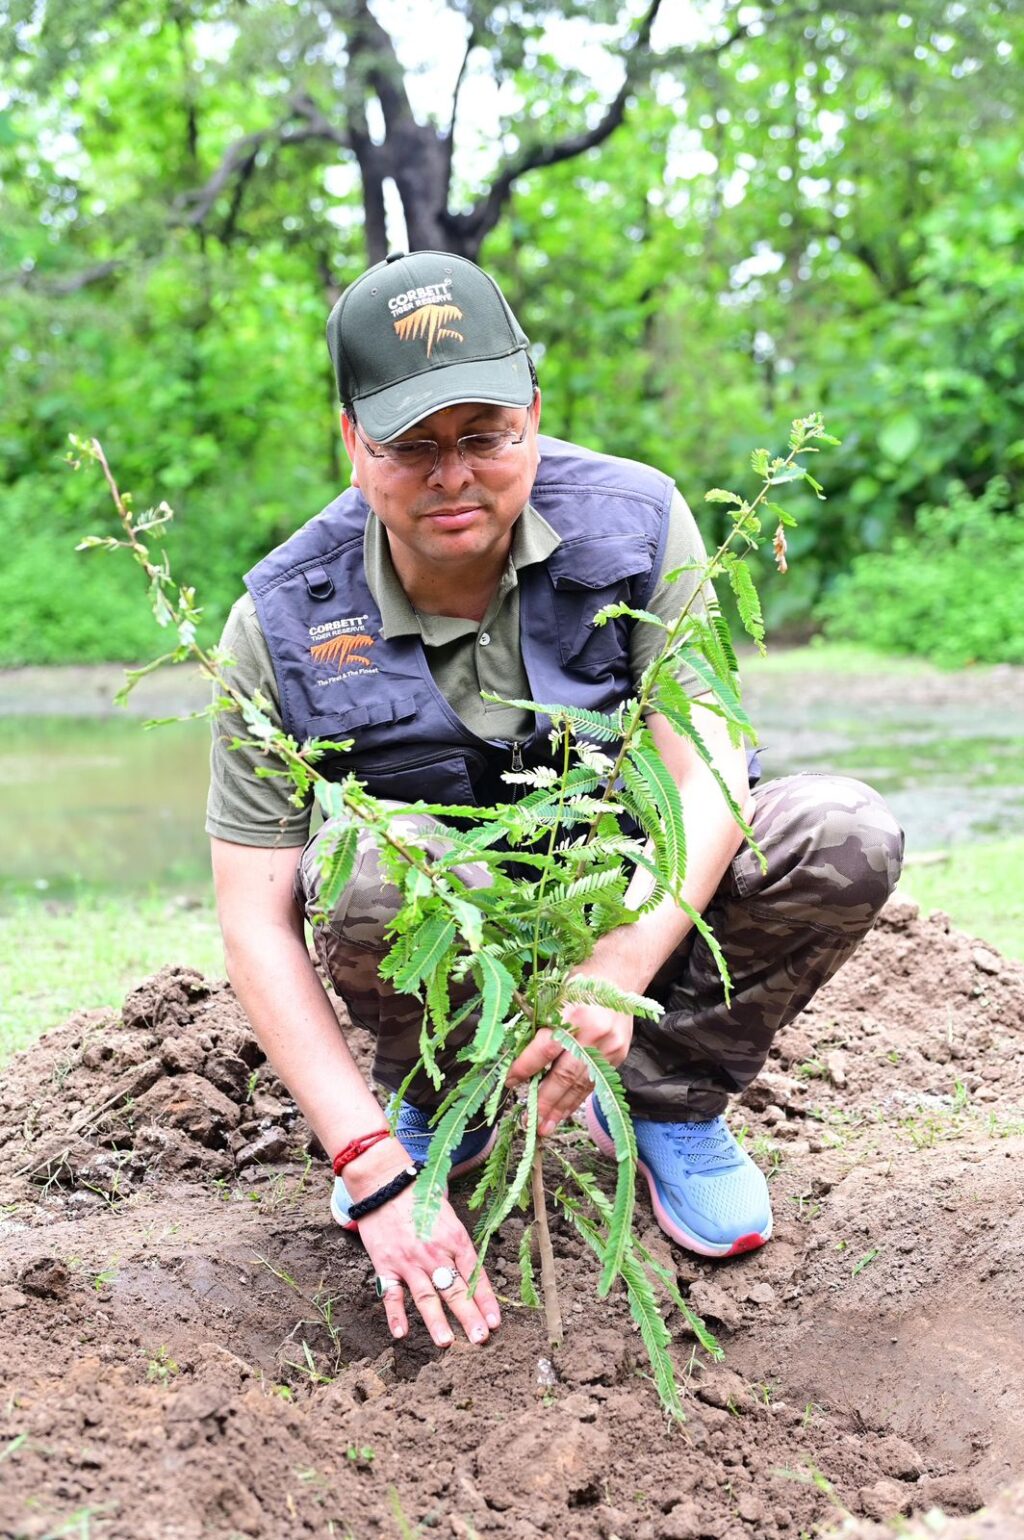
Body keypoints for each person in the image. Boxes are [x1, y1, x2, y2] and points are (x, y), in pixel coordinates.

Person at [207, 250, 903, 1352]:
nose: (454, 475)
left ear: (533, 413)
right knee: (381, 870)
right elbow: (254, 915)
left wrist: (619, 968)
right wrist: (367, 1163)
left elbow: (709, 770)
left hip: (622, 897)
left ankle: (671, 1093)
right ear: (351, 443)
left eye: (484, 433)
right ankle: (447, 1107)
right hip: (438, 934)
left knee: (838, 832)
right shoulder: (284, 620)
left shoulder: (635, 521)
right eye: (411, 445)